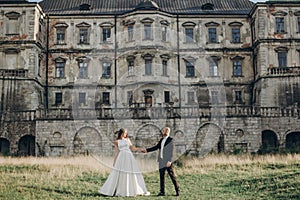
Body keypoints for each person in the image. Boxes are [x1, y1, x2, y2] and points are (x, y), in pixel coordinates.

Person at [99, 128, 150, 197]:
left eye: (126, 133)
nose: (125, 134)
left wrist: (141, 149)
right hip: (121, 157)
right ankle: (116, 189)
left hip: (129, 157)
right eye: (124, 133)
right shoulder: (116, 141)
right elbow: (116, 152)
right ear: (121, 133)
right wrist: (115, 161)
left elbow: (132, 148)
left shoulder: (127, 140)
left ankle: (132, 189)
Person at [142, 127, 180, 196]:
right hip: (161, 161)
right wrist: (147, 150)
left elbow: (173, 151)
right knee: (161, 177)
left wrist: (170, 161)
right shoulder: (161, 140)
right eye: (163, 131)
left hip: (167, 161)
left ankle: (178, 191)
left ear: (168, 131)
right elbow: (156, 147)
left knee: (172, 176)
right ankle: (162, 192)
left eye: (165, 130)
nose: (164, 132)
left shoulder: (171, 140)